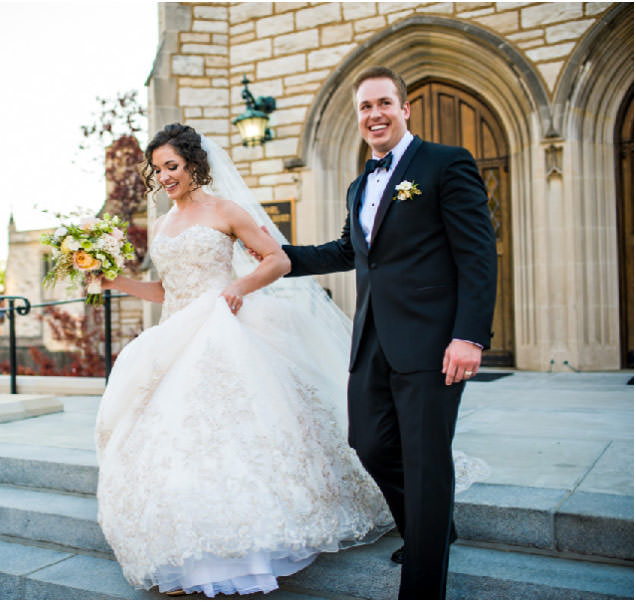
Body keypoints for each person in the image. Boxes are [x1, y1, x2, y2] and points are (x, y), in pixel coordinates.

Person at [94, 123, 397, 597]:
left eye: (171, 166)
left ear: (193, 164)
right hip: (174, 335)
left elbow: (275, 259)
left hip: (221, 331)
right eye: (157, 170)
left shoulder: (225, 210)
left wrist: (237, 286)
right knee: (169, 440)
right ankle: (178, 546)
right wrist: (116, 283)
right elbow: (165, 291)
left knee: (228, 433)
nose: (165, 177)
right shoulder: (164, 223)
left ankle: (246, 548)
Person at [277, 67, 498, 599]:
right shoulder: (359, 184)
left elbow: (477, 254)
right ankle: (433, 526)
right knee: (369, 444)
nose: (373, 115)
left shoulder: (445, 163)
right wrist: (275, 256)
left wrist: (469, 335)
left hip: (432, 342)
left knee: (426, 459)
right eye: (364, 108)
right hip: (371, 340)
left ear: (404, 109)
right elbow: (347, 252)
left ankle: (421, 585)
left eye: (383, 103)